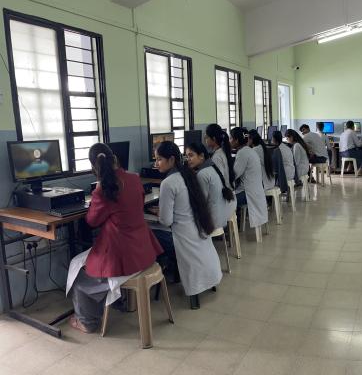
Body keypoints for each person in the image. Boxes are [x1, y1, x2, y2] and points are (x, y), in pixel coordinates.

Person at [66, 143, 163, 333]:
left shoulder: (103, 189)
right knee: (84, 263)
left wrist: (96, 196)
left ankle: (87, 321)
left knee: (78, 274)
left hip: (123, 256)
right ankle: (112, 302)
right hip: (143, 250)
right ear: (115, 159)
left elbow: (92, 221)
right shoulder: (134, 179)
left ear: (94, 167)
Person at [152, 141, 221, 309]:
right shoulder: (188, 175)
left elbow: (166, 221)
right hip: (198, 230)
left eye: (159, 159)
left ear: (171, 160)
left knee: (149, 232)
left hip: (181, 236)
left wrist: (159, 213)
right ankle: (175, 274)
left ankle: (158, 278)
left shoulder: (168, 183)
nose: (156, 164)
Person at [185, 143, 236, 230]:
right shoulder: (211, 167)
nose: (188, 159)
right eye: (186, 156)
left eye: (191, 155)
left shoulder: (202, 174)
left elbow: (201, 203)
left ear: (201, 156)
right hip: (223, 216)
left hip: (212, 221)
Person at [230, 127, 268, 231]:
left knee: (225, 201)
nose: (229, 141)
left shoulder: (243, 153)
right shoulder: (250, 151)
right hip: (255, 191)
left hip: (247, 193)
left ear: (236, 140)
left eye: (231, 138)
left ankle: (229, 231)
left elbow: (234, 175)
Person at [205, 124, 236, 192]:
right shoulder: (221, 152)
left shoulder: (217, 157)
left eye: (207, 137)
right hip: (228, 191)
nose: (205, 139)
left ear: (214, 139)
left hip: (224, 194)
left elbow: (219, 180)